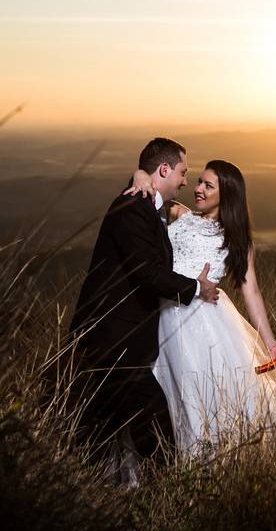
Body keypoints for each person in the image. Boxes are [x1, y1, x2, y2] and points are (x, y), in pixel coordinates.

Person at [127, 159, 276, 455]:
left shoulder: (237, 241)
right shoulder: (178, 213)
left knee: (205, 400)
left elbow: (252, 291)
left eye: (208, 185)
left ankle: (202, 469)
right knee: (159, 397)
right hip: (162, 314)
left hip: (207, 326)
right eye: (198, 182)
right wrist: (140, 175)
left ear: (227, 194)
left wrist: (269, 343)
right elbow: (148, 187)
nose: (198, 189)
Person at [69, 138, 219, 468]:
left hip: (122, 343)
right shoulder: (132, 208)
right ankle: (164, 498)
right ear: (164, 170)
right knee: (154, 429)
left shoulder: (148, 206)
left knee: (100, 429)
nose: (184, 180)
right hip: (114, 341)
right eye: (182, 172)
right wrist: (198, 289)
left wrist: (138, 174)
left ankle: (88, 486)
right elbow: (147, 272)